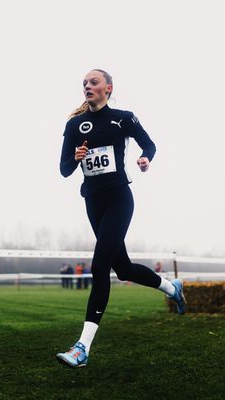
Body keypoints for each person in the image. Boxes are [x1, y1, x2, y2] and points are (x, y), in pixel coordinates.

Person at [56, 69, 186, 368]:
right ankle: (171, 287)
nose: (88, 86)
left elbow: (149, 145)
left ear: (108, 88)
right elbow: (64, 169)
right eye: (84, 83)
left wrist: (145, 159)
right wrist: (75, 158)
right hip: (93, 201)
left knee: (100, 266)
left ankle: (82, 348)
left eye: (94, 82)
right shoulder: (75, 124)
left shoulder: (123, 118)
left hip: (118, 198)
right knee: (123, 268)